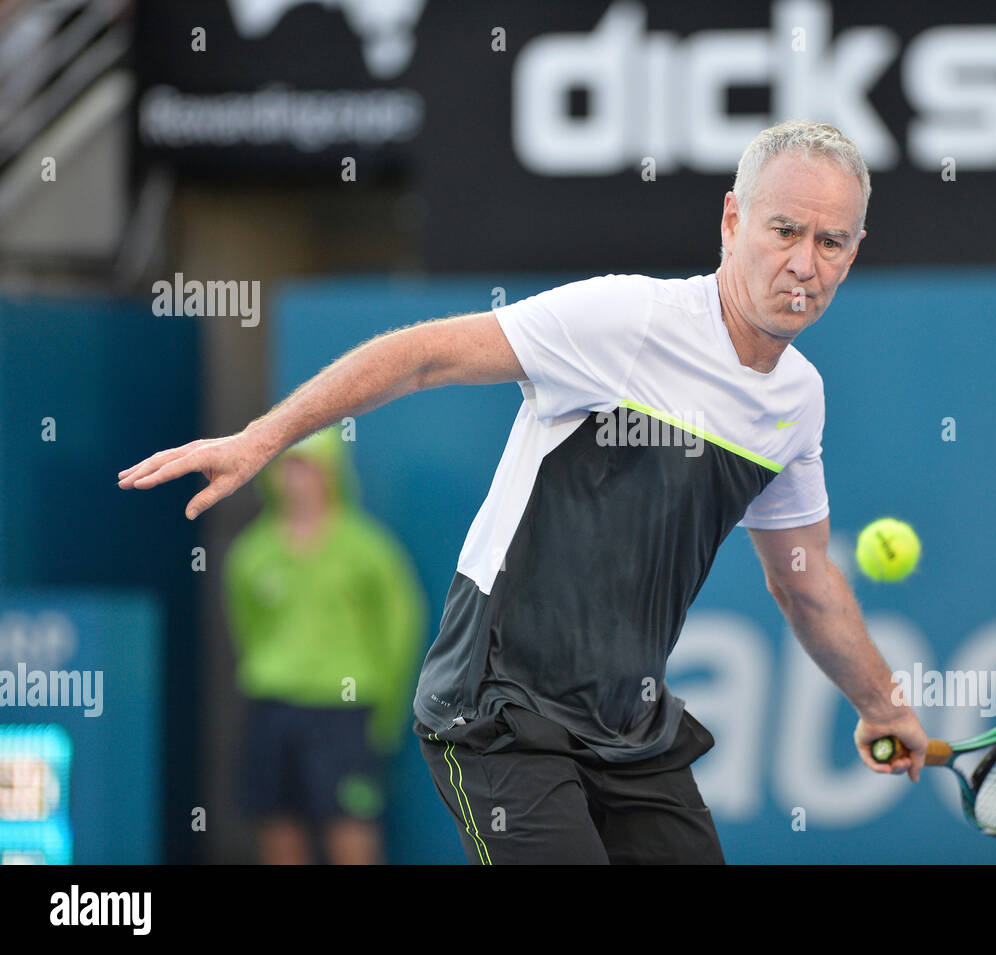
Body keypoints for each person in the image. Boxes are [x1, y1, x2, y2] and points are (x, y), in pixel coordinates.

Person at [118, 119, 929, 865]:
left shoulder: (798, 399)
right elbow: (425, 354)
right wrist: (261, 436)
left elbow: (806, 578)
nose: (804, 262)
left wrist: (882, 702)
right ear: (731, 221)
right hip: (501, 709)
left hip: (630, 727)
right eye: (785, 229)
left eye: (832, 241)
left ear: (854, 250)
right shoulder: (629, 319)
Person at [222, 425, 426, 864]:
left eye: (309, 466)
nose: (298, 479)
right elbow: (247, 625)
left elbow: (400, 629)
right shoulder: (251, 553)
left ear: (331, 472)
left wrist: (386, 713)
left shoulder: (370, 550)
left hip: (344, 714)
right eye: (289, 466)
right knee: (276, 822)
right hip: (272, 708)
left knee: (349, 826)